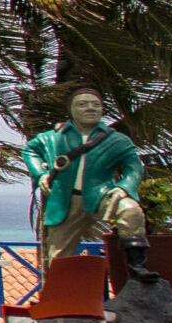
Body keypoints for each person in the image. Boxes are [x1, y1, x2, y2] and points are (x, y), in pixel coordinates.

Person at [23, 86, 150, 278]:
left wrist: (124, 188)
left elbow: (134, 167)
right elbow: (30, 150)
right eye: (82, 104)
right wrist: (40, 174)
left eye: (95, 105)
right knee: (57, 258)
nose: (90, 108)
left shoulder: (117, 140)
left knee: (130, 210)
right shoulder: (53, 137)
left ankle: (137, 267)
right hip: (65, 202)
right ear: (71, 110)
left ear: (102, 109)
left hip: (101, 195)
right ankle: (59, 293)